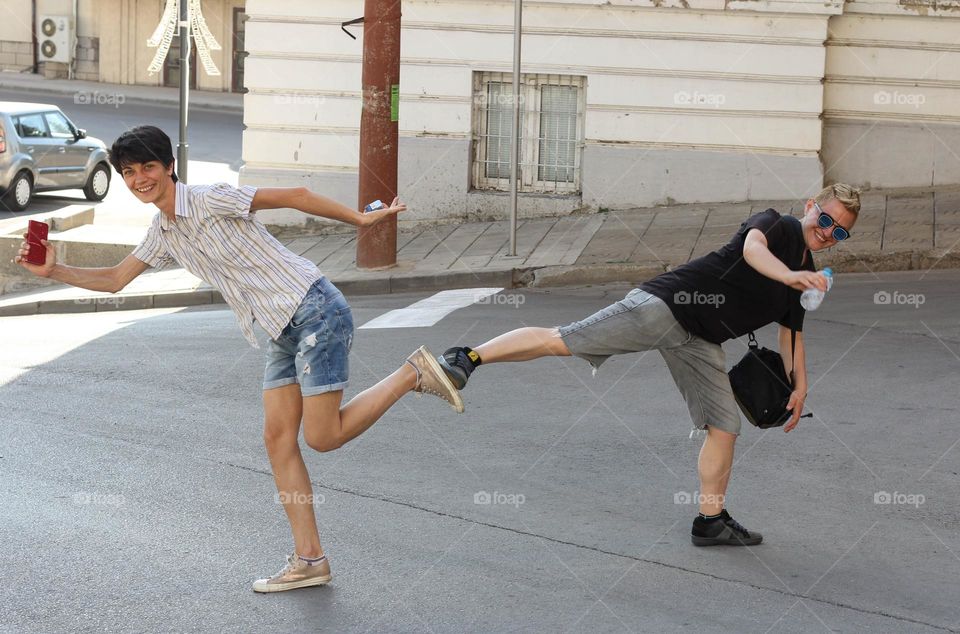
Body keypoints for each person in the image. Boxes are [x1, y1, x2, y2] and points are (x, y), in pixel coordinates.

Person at [14, 125, 464, 593]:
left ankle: (412, 374)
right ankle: (310, 560)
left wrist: (359, 219)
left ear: (169, 167)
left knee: (324, 436)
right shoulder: (162, 232)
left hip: (312, 308)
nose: (138, 179)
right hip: (276, 329)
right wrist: (55, 270)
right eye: (129, 172)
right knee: (277, 440)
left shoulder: (211, 198)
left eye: (147, 167)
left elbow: (295, 193)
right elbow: (114, 280)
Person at [436, 184, 861, 547]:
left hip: (702, 342)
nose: (827, 233)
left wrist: (800, 388)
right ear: (810, 206)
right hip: (665, 306)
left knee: (725, 426)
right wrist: (788, 276)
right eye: (824, 219)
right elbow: (752, 250)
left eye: (839, 231)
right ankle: (466, 358)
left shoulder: (805, 275)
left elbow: (792, 336)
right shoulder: (777, 225)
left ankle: (710, 522)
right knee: (564, 340)